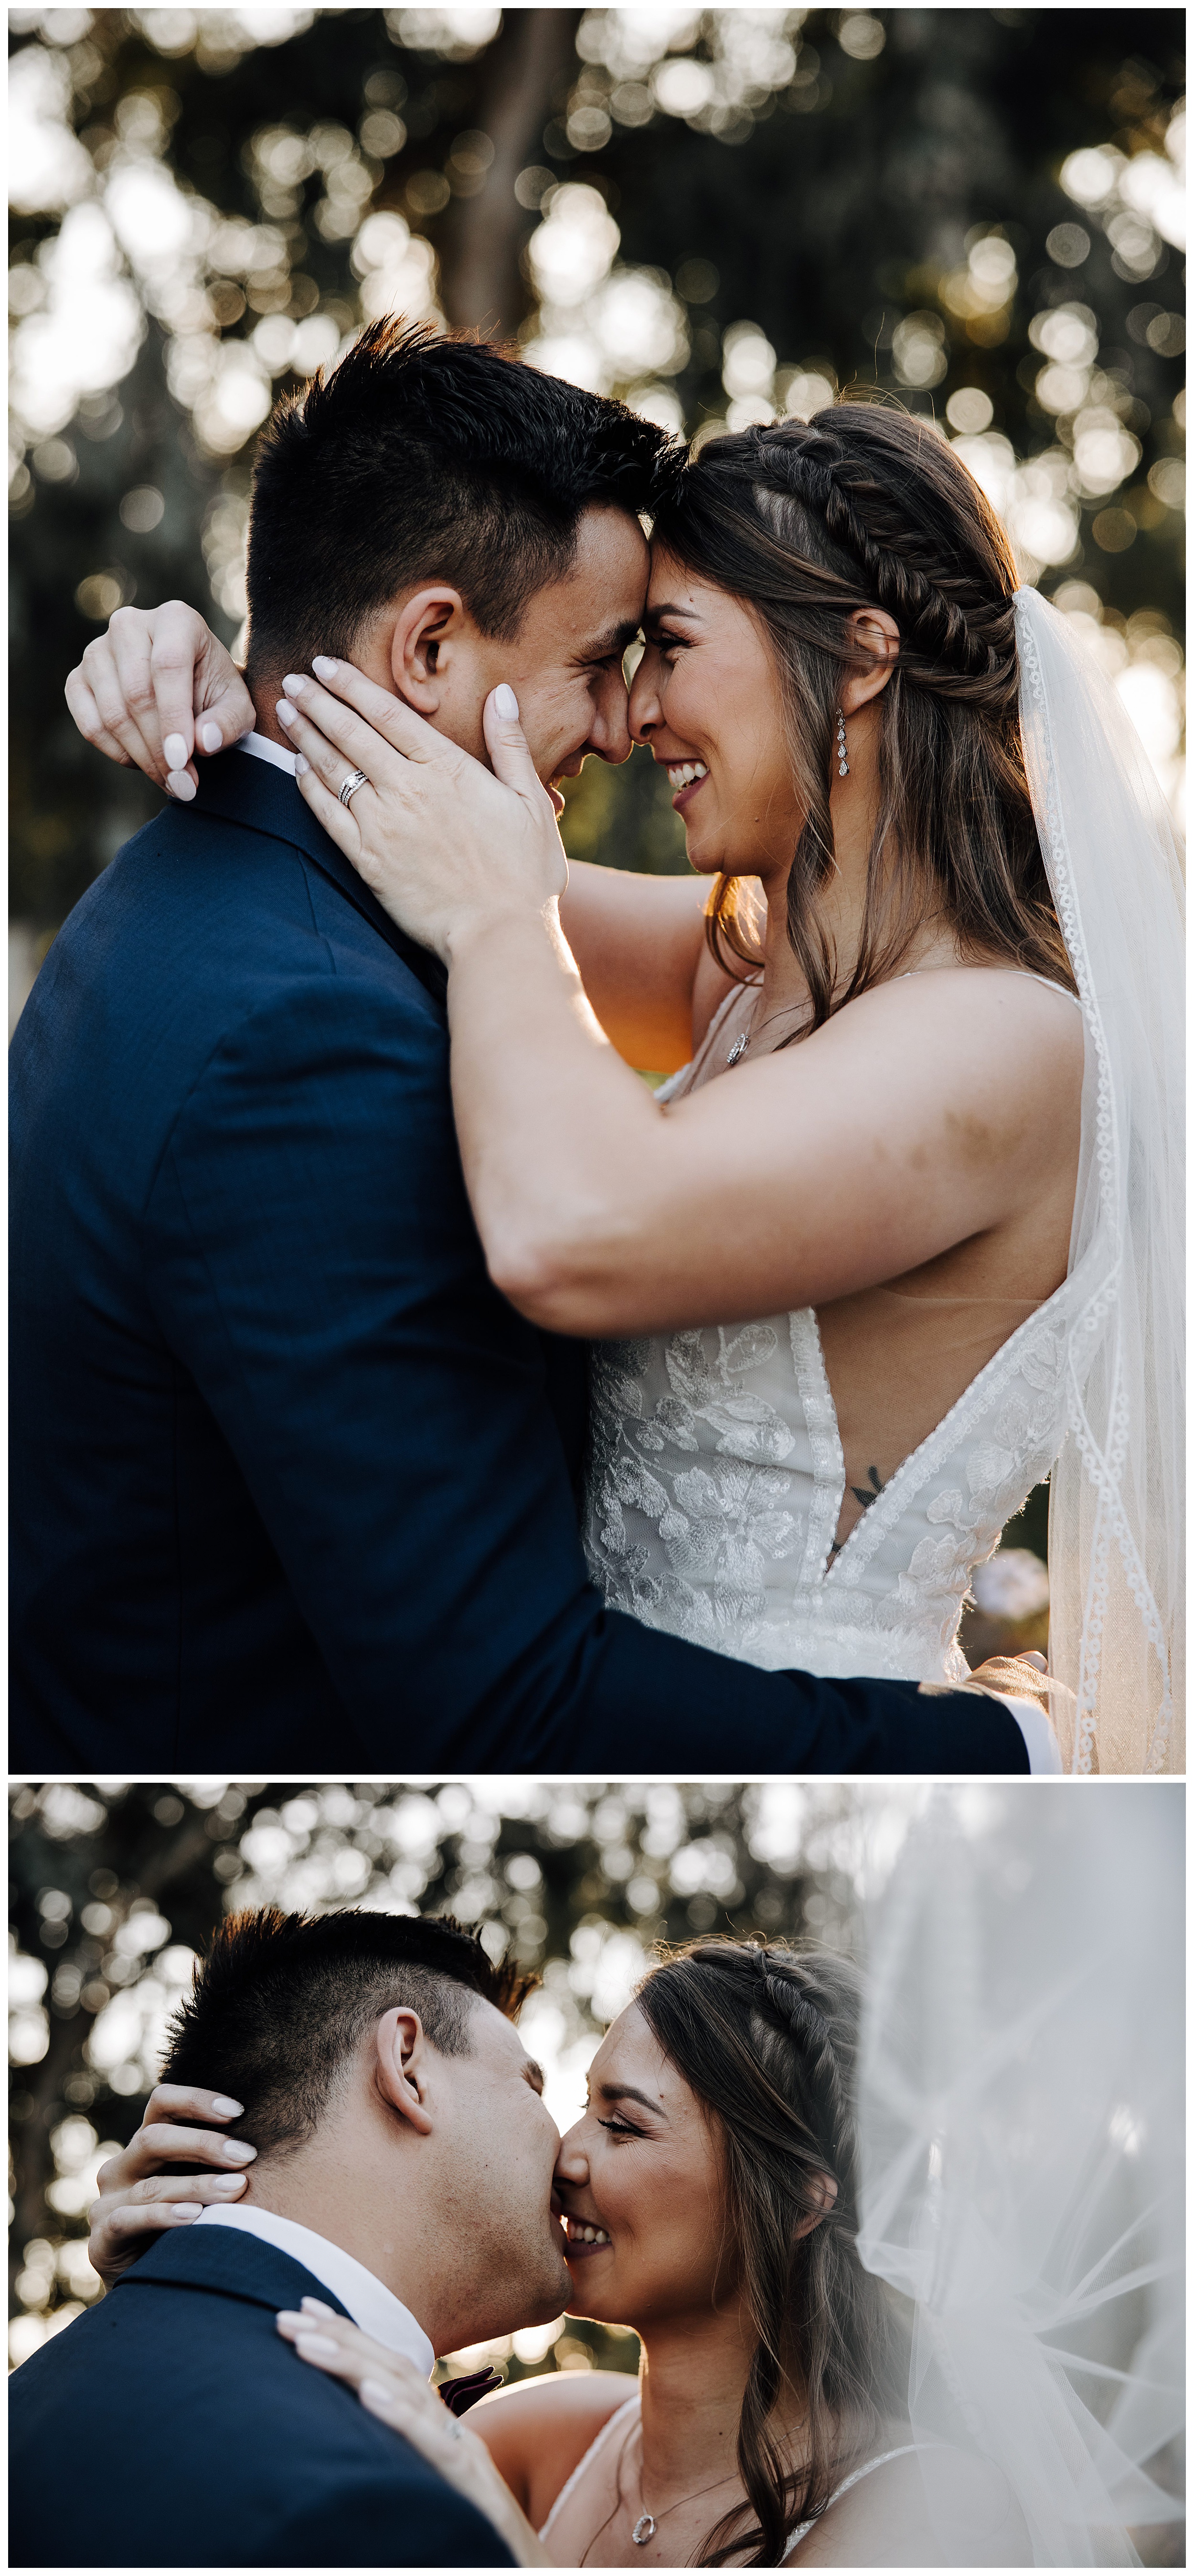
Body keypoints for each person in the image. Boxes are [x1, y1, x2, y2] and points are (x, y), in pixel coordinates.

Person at [14, 320, 1050, 1772]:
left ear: (860, 664)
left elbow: (485, 898)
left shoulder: (995, 1036)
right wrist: (224, 678)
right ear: (431, 639)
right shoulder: (744, 972)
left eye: (663, 650)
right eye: (614, 656)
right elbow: (418, 839)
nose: (627, 720)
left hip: (779, 1727)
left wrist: (281, 710)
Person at [76, 1810, 1184, 2567]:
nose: (565, 2154)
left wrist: (489, 2536)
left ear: (801, 2196)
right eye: (574, 2107)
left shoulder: (933, 2508)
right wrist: (201, 2249)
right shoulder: (538, 2434)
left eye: (621, 2122)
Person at [8, 1907, 562, 2568]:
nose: (573, 2148)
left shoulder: (33, 2393)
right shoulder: (381, 2513)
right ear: (408, 2065)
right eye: (533, 2085)